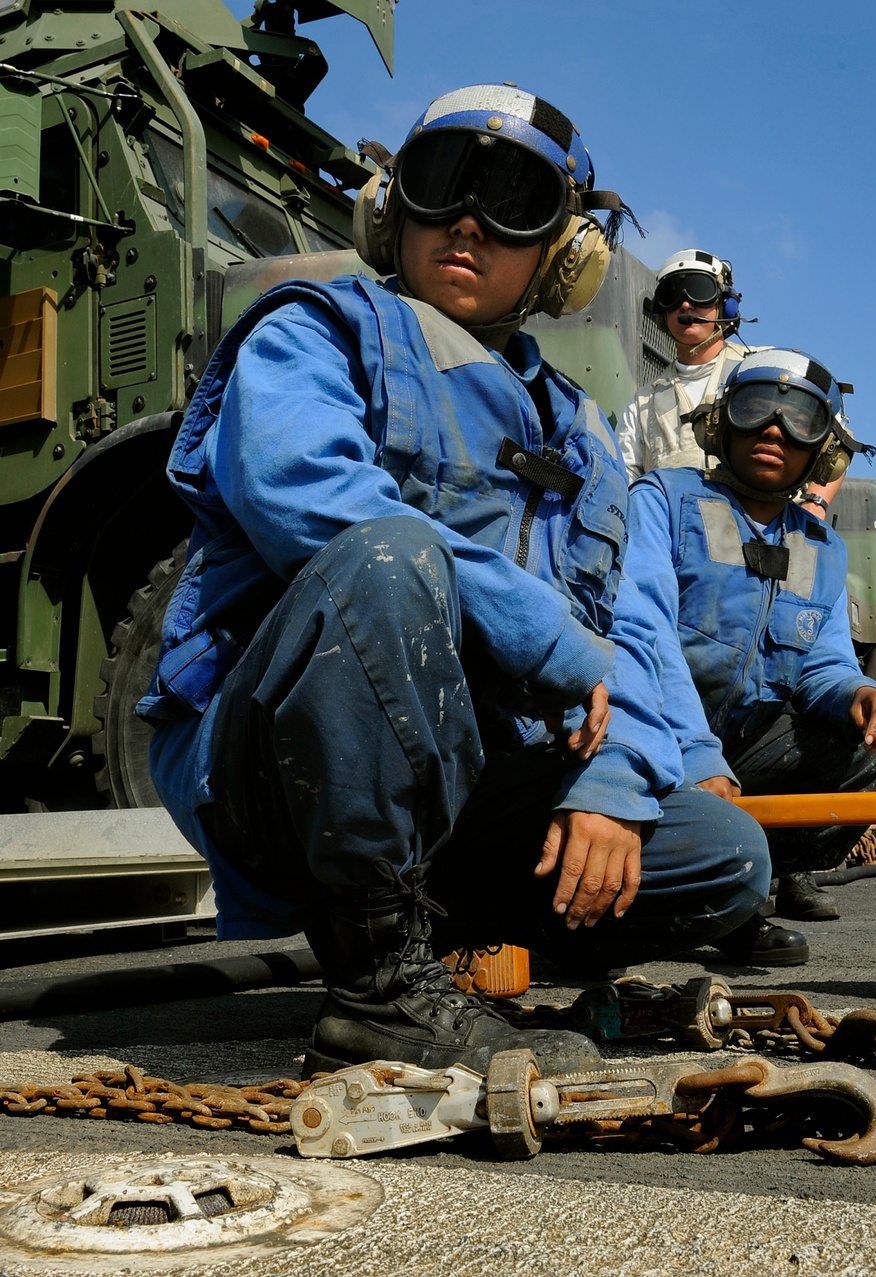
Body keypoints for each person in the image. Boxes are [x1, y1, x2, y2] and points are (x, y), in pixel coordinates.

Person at [138, 85, 771, 1076]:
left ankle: (446, 939)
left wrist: (611, 782)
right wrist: (547, 637)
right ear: (395, 208)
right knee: (392, 555)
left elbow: (640, 636)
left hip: (468, 779)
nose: (469, 219)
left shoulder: (587, 434)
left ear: (561, 256)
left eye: (513, 197)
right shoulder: (315, 329)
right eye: (442, 185)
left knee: (721, 854)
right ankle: (379, 988)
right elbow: (304, 494)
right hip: (272, 759)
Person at [626, 348, 876, 966]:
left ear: (823, 450)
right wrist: (696, 754)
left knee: (874, 748)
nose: (775, 430)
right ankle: (663, 897)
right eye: (756, 409)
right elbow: (642, 631)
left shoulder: (821, 549)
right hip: (646, 738)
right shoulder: (664, 501)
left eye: (800, 420)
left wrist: (859, 694)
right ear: (721, 424)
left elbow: (823, 665)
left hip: (741, 754)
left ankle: (746, 895)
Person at [617, 249, 842, 519]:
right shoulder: (644, 404)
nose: (685, 305)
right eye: (672, 295)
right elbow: (625, 479)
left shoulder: (767, 368)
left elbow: (835, 434)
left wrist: (815, 503)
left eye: (699, 291)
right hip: (680, 544)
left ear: (724, 305)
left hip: (767, 535)